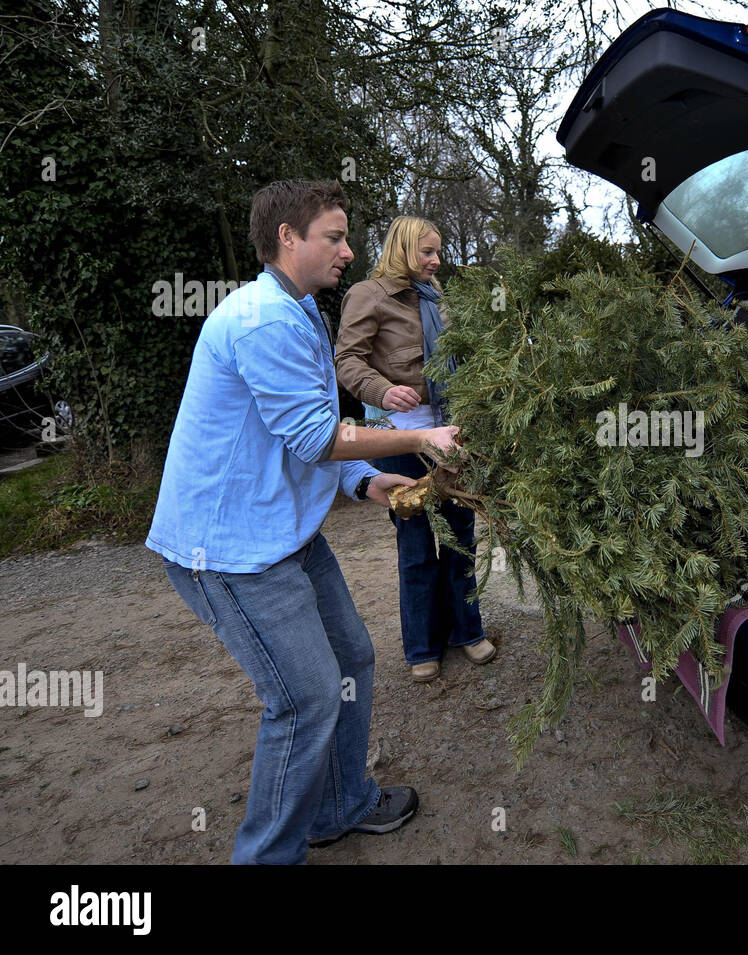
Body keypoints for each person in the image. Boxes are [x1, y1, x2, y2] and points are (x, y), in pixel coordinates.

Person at [146, 180, 462, 864]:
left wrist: (365, 479)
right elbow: (316, 436)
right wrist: (429, 440)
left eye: (347, 237)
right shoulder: (260, 318)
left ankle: (340, 805)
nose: (349, 250)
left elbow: (311, 431)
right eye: (335, 236)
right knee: (304, 697)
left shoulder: (302, 312)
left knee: (350, 656)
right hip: (228, 548)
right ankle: (267, 856)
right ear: (287, 237)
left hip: (284, 534)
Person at [335, 216, 493, 683]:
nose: (436, 260)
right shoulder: (368, 294)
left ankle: (468, 632)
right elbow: (348, 360)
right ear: (403, 248)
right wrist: (381, 391)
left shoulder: (437, 297)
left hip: (449, 433)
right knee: (418, 540)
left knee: (461, 533)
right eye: (427, 251)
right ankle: (422, 646)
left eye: (438, 251)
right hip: (398, 436)